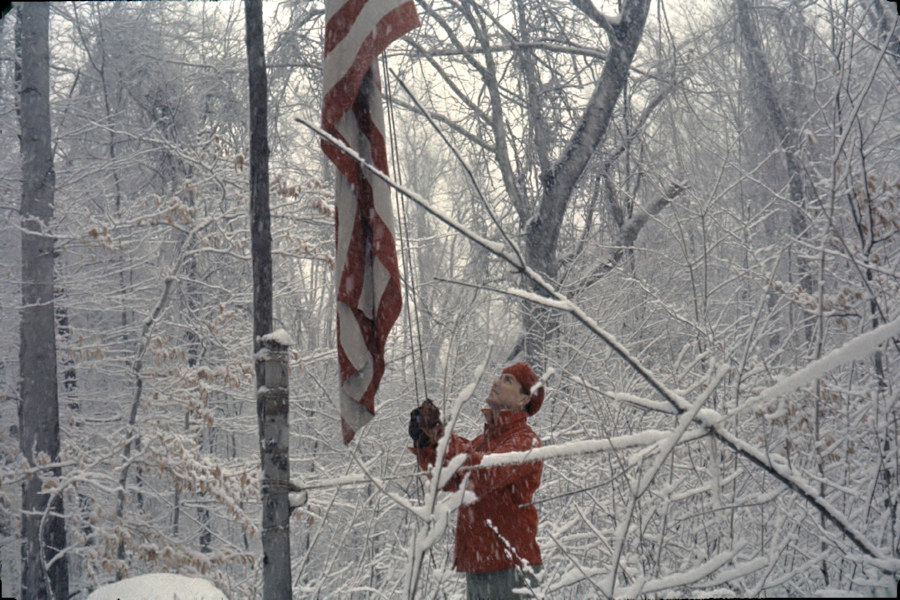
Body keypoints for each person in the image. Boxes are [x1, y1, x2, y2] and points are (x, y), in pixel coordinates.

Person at [409, 362, 545, 600]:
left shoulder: (527, 442)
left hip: (511, 567)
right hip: (480, 567)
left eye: (508, 380)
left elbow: (483, 474)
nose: (496, 382)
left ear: (524, 400)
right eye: (500, 377)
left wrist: (442, 435)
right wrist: (428, 444)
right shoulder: (484, 440)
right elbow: (449, 480)